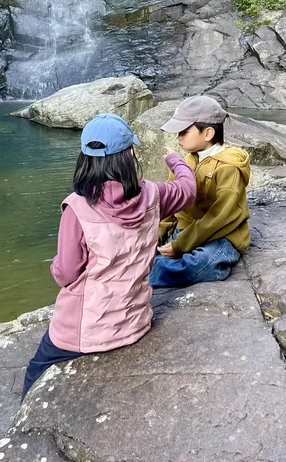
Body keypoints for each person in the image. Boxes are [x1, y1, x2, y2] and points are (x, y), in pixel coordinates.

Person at [22, 112, 196, 400]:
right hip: (136, 322)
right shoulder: (153, 195)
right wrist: (175, 160)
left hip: (83, 334)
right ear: (128, 156)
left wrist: (54, 266)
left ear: (85, 158)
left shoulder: (77, 208)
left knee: (34, 372)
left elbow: (65, 273)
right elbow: (188, 190)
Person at [149, 95, 250, 288]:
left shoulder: (228, 166)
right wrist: (159, 231)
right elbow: (172, 199)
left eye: (184, 131)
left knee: (203, 262)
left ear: (208, 133)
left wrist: (181, 244)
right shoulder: (186, 161)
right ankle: (152, 266)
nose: (179, 136)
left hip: (220, 235)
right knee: (146, 245)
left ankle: (144, 275)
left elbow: (222, 216)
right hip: (185, 230)